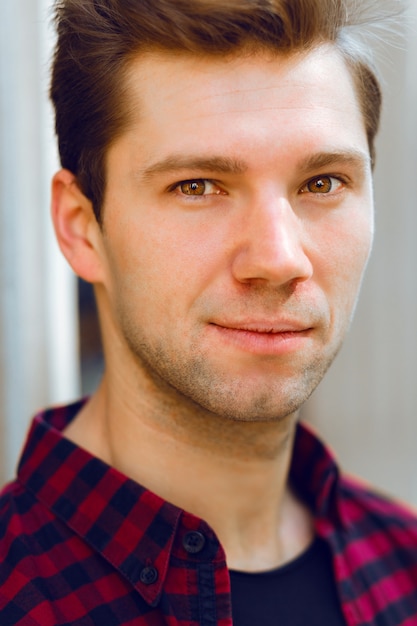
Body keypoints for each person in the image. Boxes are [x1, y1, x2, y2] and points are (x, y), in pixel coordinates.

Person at [1, 0, 417, 624]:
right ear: (82, 228)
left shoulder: (404, 563)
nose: (278, 260)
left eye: (322, 182)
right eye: (197, 186)